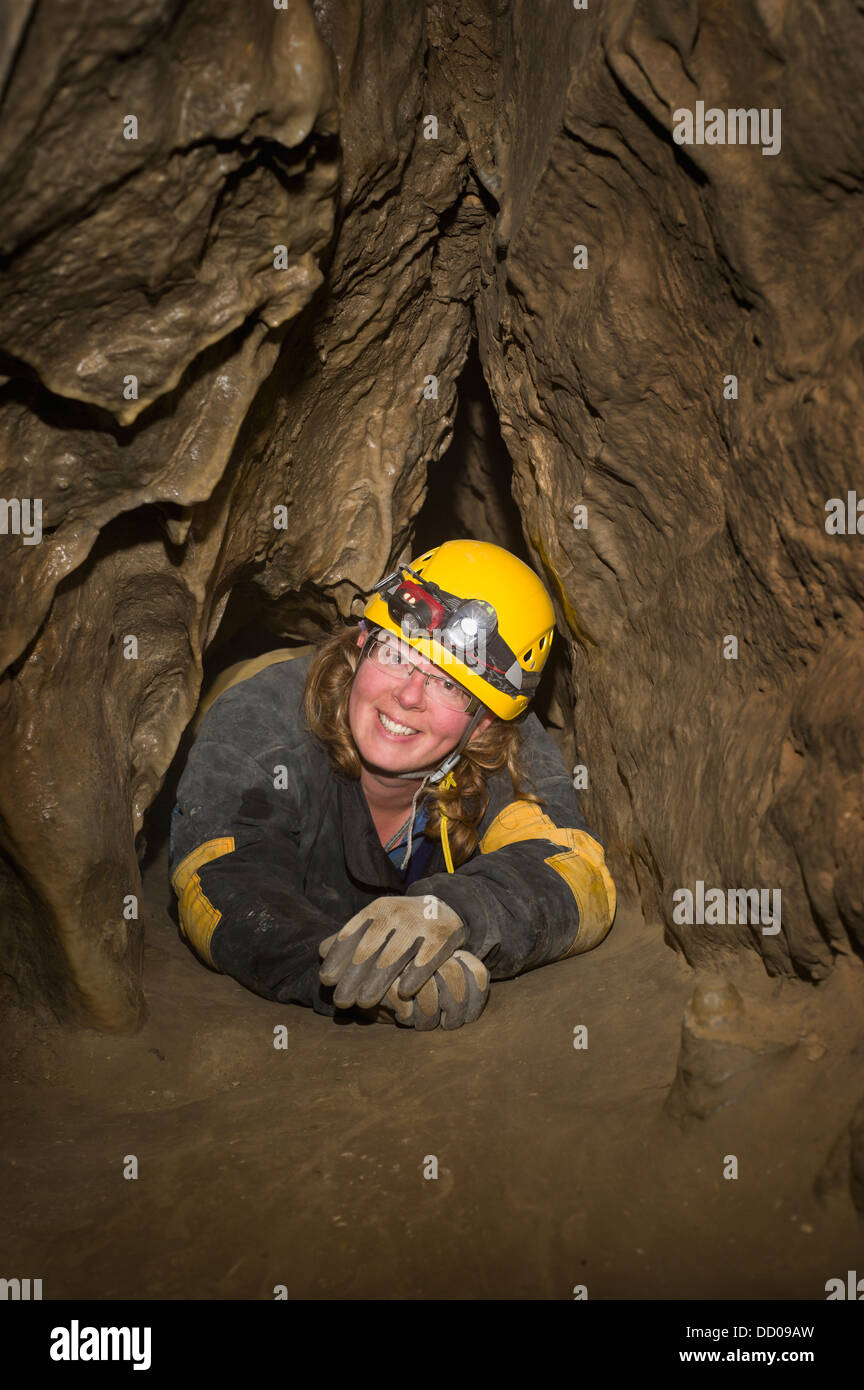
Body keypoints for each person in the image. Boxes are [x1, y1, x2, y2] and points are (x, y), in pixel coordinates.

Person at [168, 539, 616, 1030]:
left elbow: (577, 872)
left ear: (484, 722)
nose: (407, 696)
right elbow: (220, 883)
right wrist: (360, 973)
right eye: (397, 653)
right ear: (363, 641)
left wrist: (456, 911)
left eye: (449, 684)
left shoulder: (504, 747)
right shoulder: (261, 723)